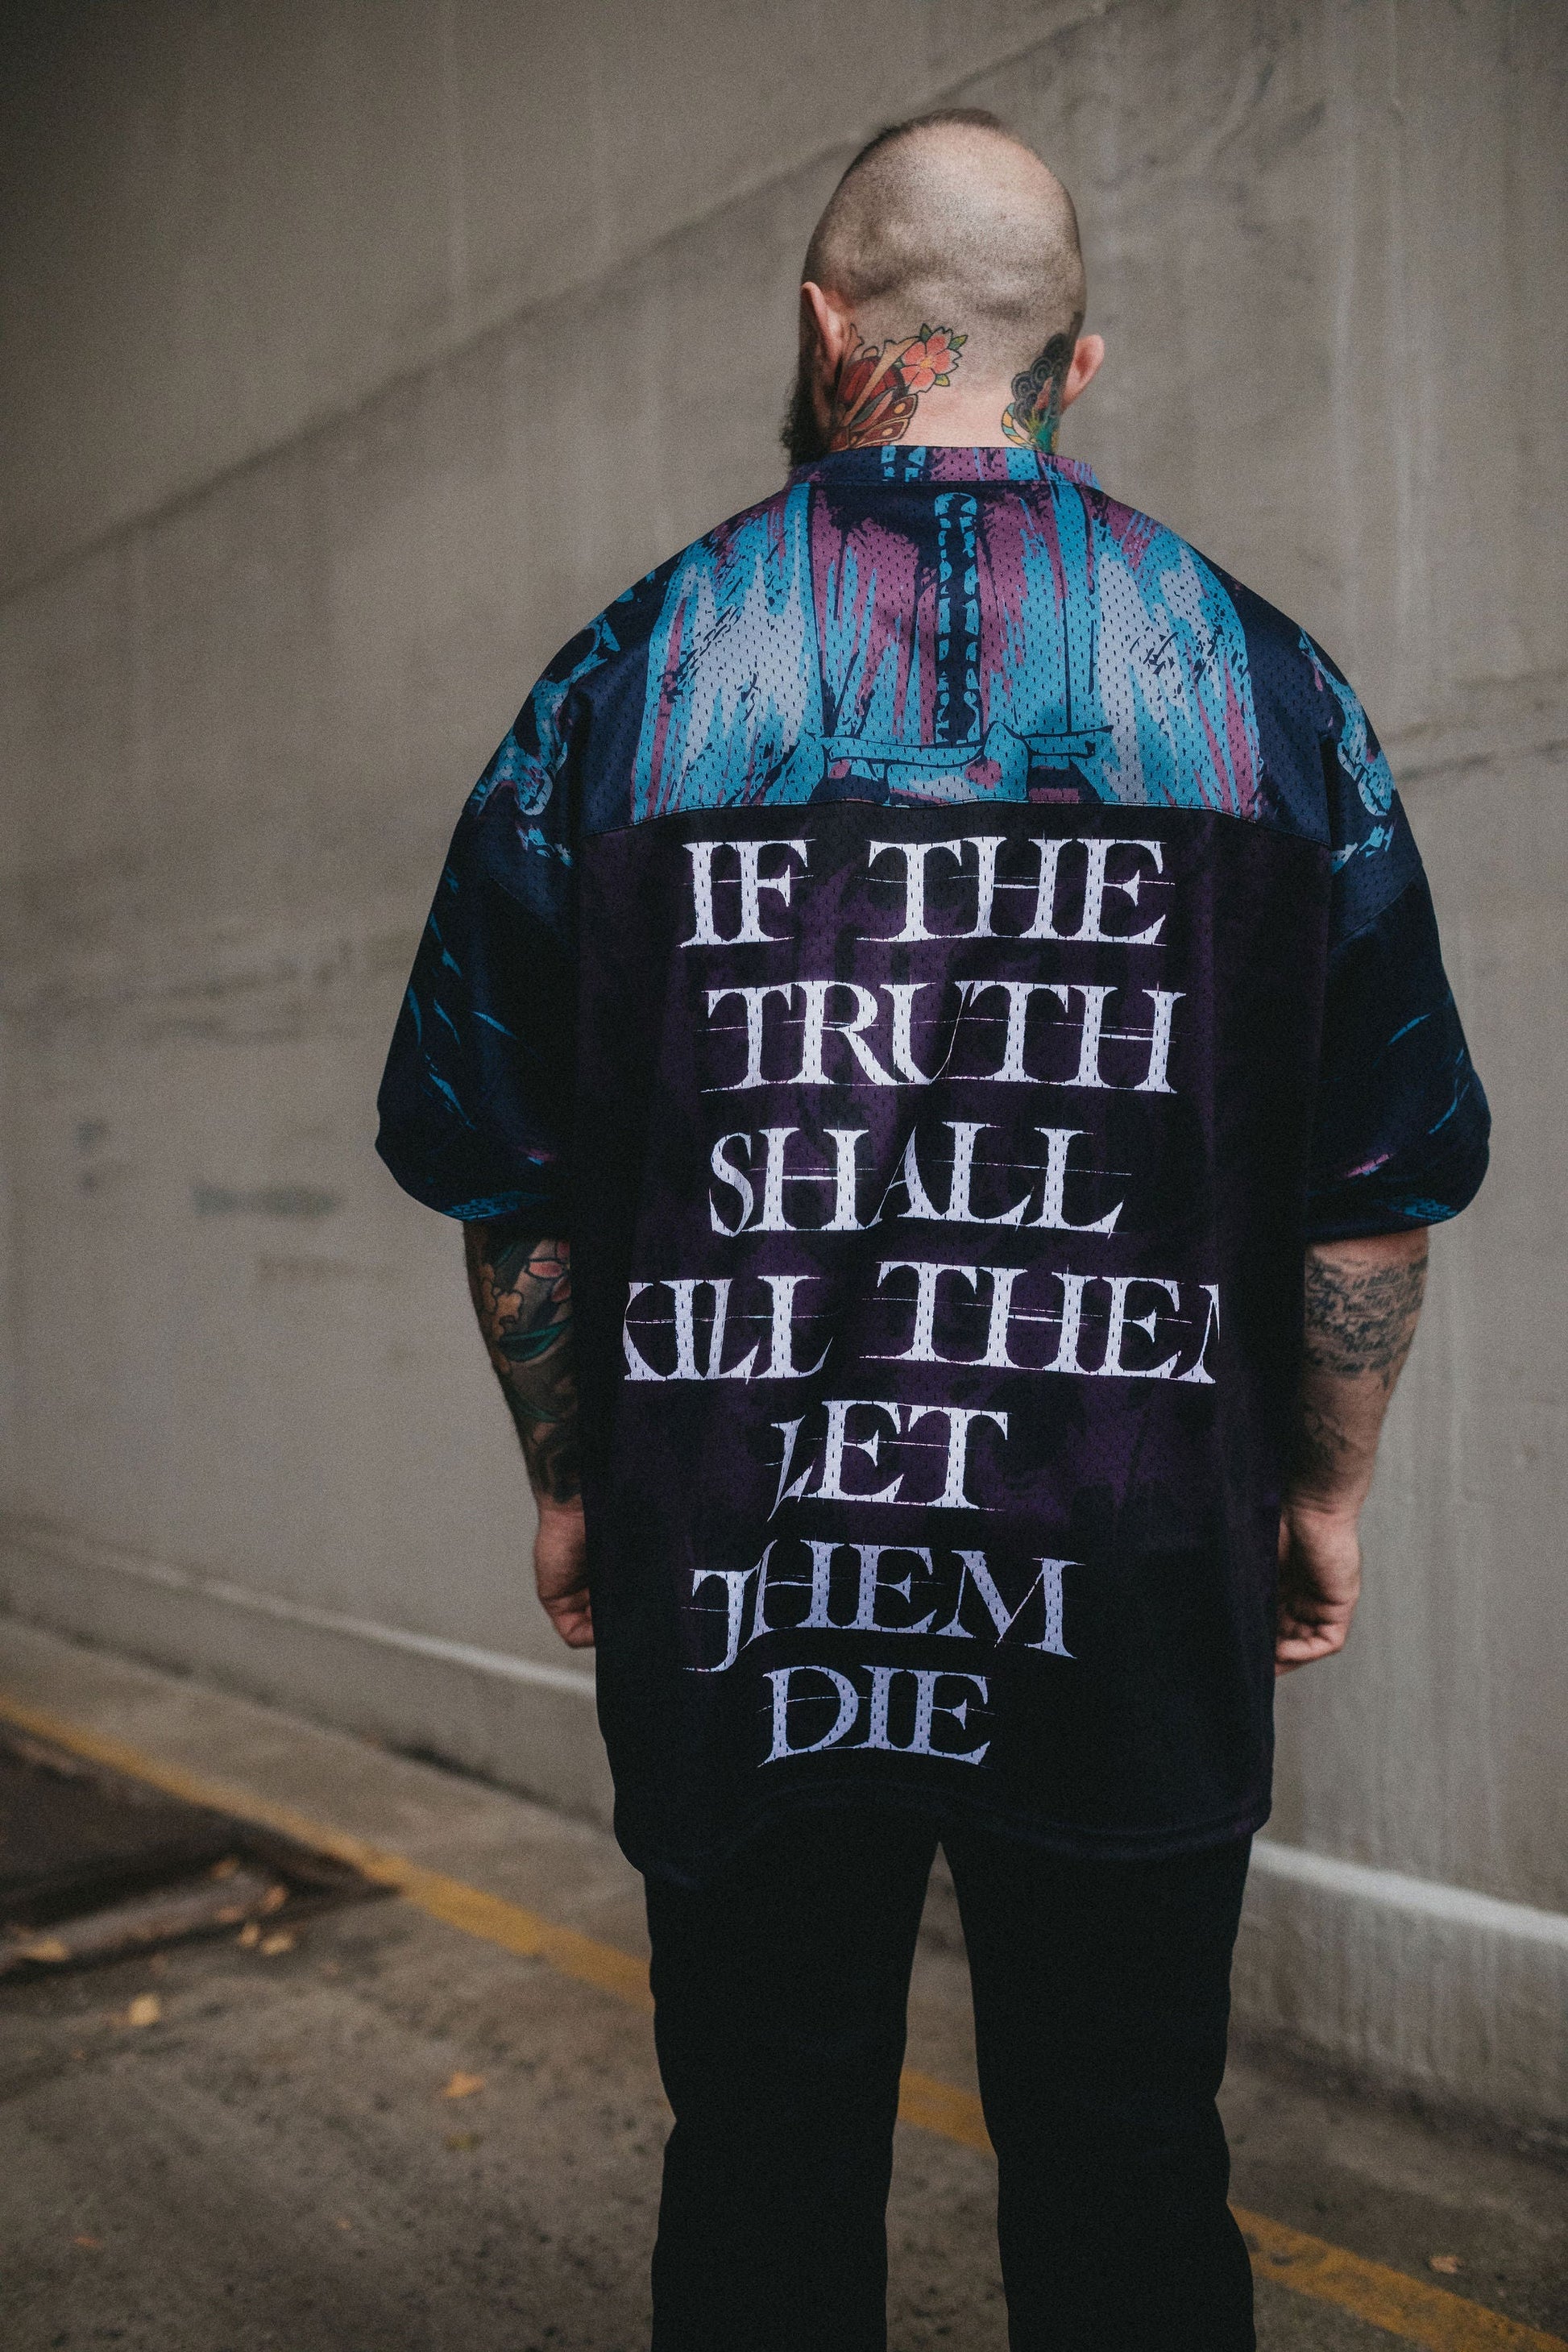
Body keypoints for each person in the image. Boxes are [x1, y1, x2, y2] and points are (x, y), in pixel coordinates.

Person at [376, 109, 1489, 2352]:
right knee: (1129, 2154)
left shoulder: (622, 687)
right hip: (1132, 1558)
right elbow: (1369, 1182)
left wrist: (579, 1481)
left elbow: (508, 1163)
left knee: (764, 2153)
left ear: (826, 330)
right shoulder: (1261, 688)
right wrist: (1319, 1494)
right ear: (1076, 357)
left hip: (746, 1569)